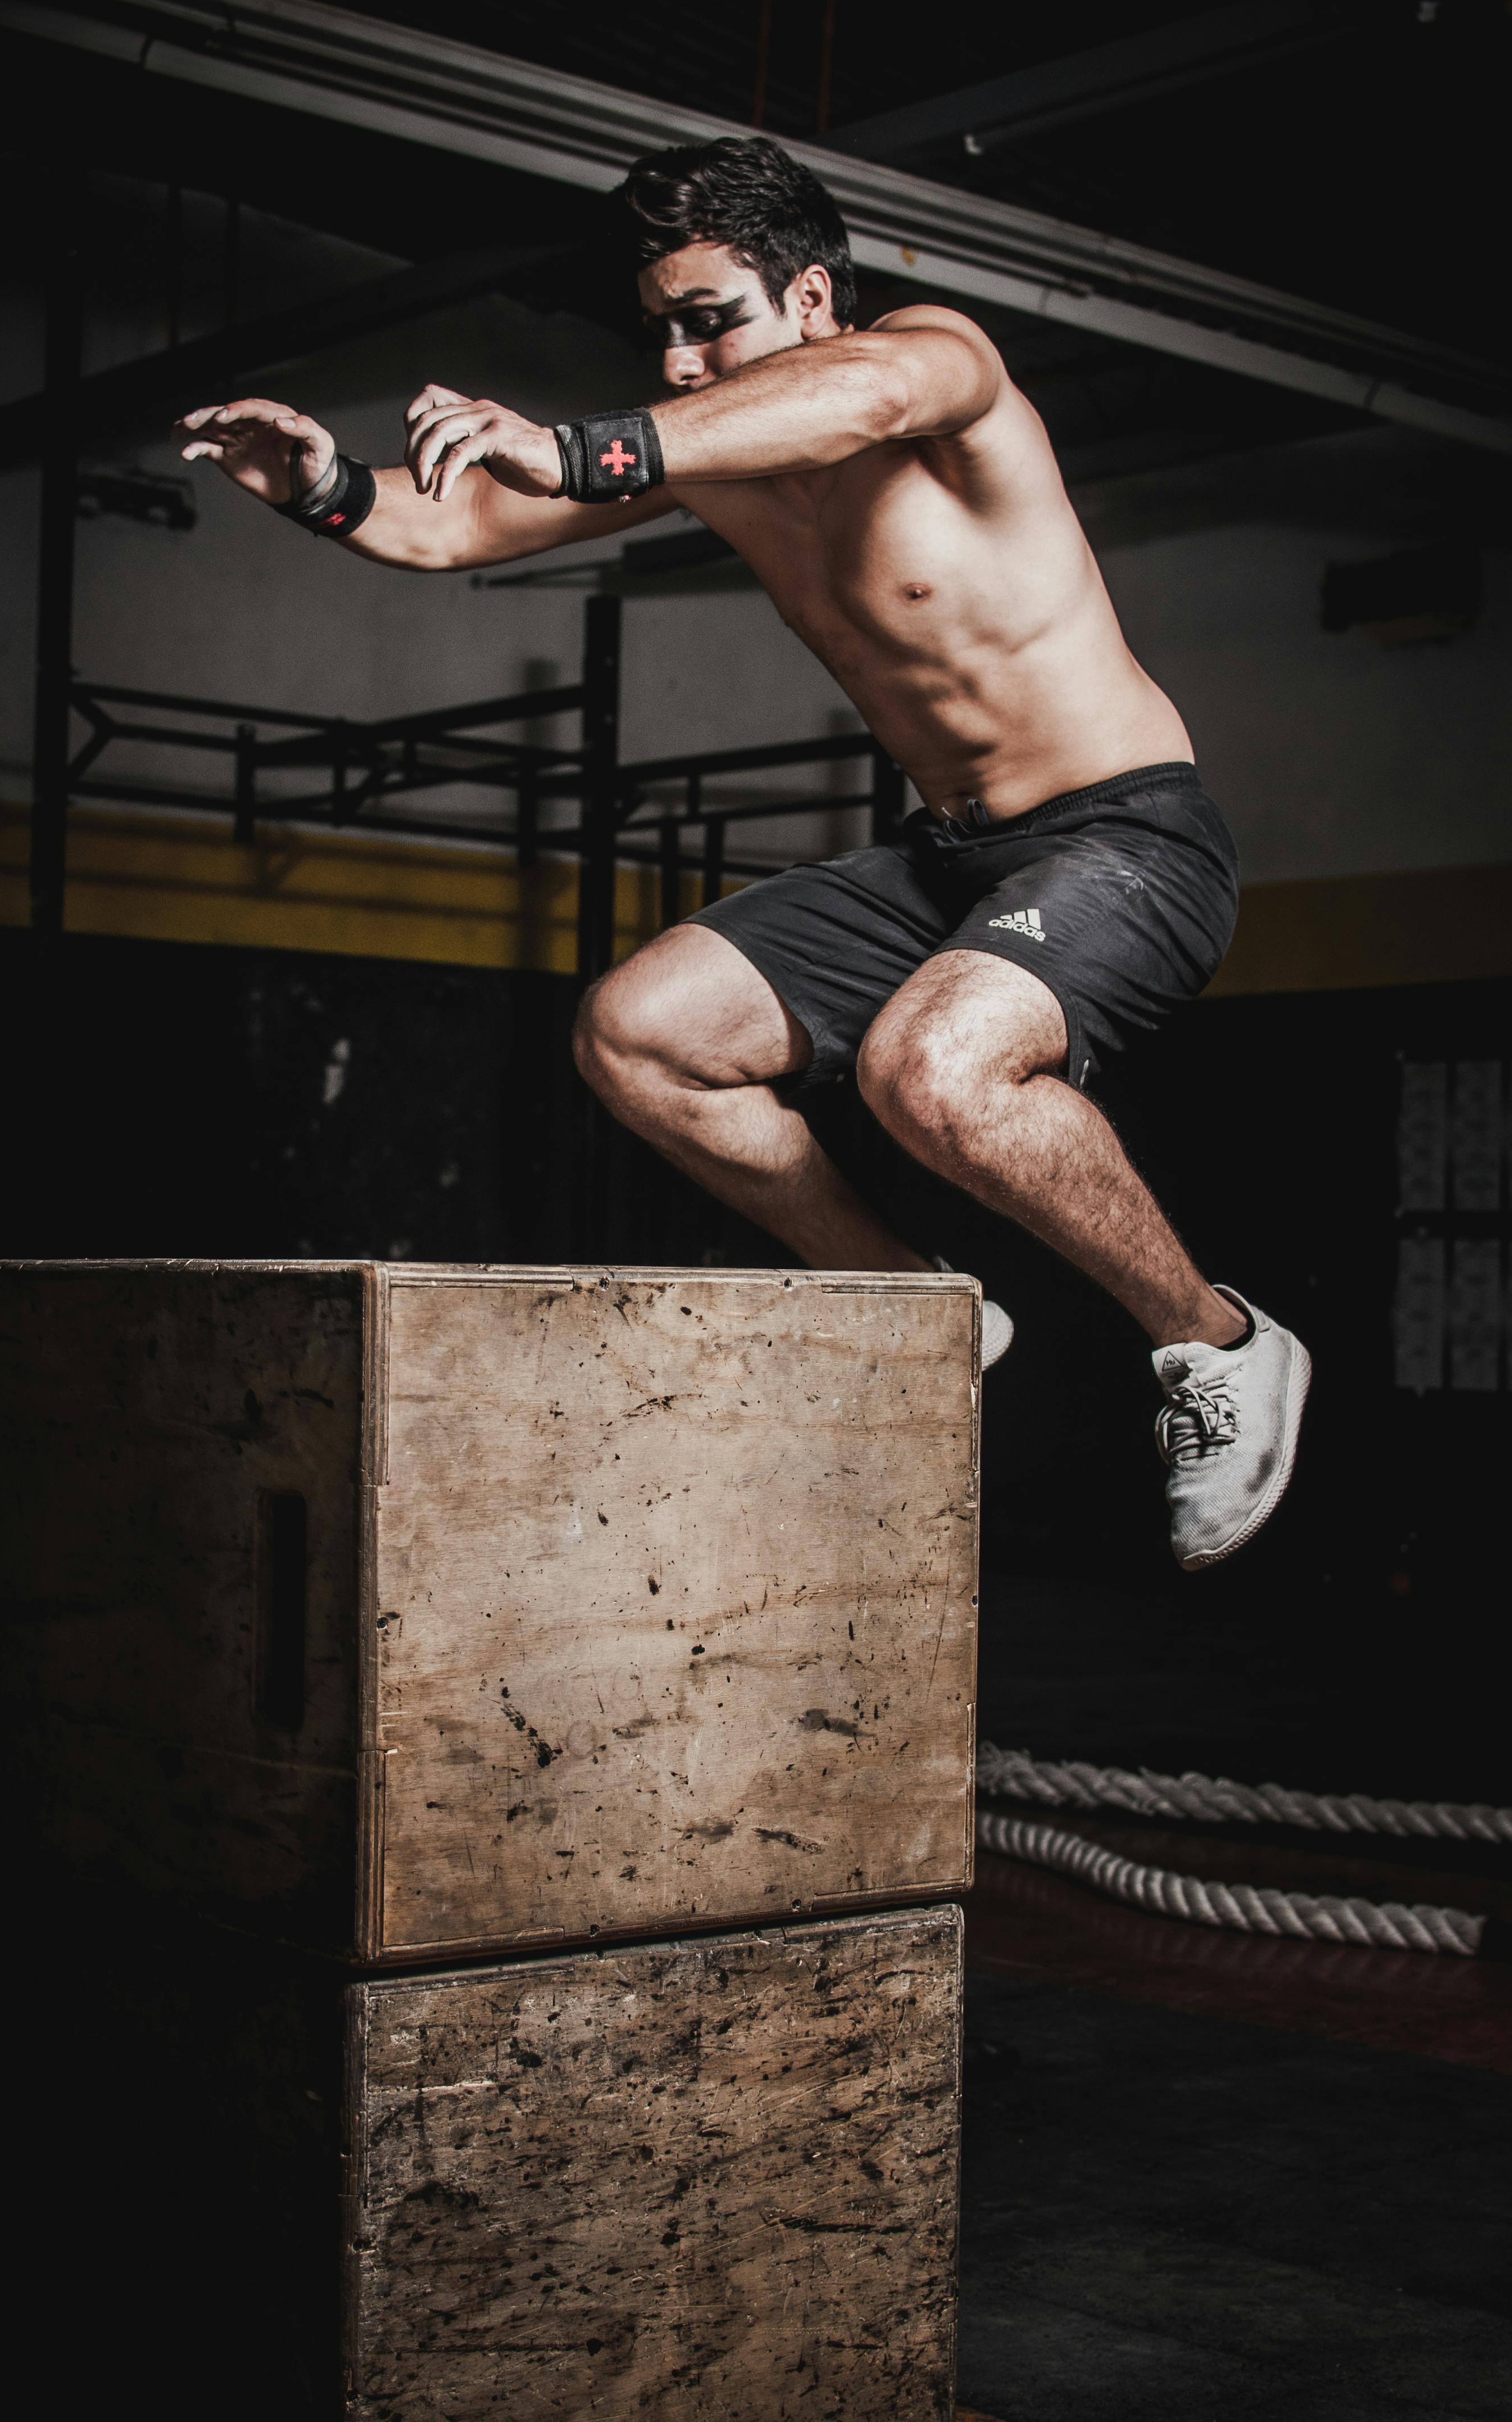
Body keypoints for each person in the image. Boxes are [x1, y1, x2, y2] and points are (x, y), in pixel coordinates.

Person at [178, 136, 1309, 1571]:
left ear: (815, 297)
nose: (683, 357)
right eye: (662, 329)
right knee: (639, 1034)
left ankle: (1213, 1341)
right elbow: (455, 521)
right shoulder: (708, 459)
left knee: (928, 1071)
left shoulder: (929, 368)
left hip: (1126, 833)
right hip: (948, 860)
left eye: (712, 318)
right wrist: (328, 483)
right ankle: (923, 1315)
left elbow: (871, 389)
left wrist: (590, 443)